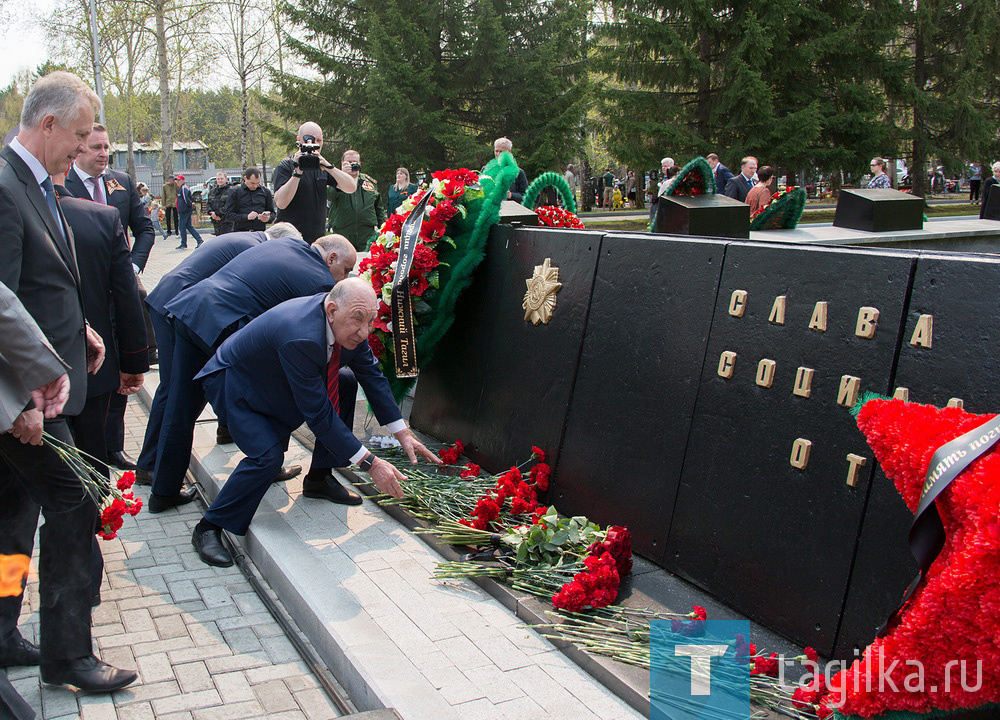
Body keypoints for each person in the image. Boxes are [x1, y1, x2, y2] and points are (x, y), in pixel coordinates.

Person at [0, 70, 136, 693]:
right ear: (47, 124)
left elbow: (41, 277)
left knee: (13, 516)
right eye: (78, 135)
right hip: (26, 397)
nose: (83, 148)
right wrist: (16, 400)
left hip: (40, 384)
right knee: (74, 501)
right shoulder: (5, 186)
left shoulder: (36, 183)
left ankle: (3, 630)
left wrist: (78, 325)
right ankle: (68, 656)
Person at [190, 279, 441, 567]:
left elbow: (371, 374)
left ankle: (319, 479)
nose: (364, 332)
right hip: (236, 383)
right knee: (267, 457)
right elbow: (319, 415)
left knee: (345, 382)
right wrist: (371, 464)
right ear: (332, 310)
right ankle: (209, 527)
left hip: (274, 377)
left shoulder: (349, 324)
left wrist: (402, 433)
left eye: (371, 321)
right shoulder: (301, 335)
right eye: (358, 320)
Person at [147, 234, 357, 513]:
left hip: (192, 309)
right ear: (331, 259)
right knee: (282, 385)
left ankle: (163, 491)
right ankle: (273, 464)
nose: (343, 279)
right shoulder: (318, 280)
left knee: (181, 405)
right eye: (345, 270)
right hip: (221, 323)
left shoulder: (286, 244)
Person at [136, 223, 304, 486]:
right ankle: (151, 466)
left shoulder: (248, 240)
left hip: (179, 304)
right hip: (176, 307)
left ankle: (224, 430)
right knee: (175, 392)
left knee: (200, 381)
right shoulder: (255, 249)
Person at [53, 174, 148, 607]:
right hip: (88, 374)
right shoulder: (98, 219)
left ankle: (9, 611)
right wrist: (132, 361)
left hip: (24, 387)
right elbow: (125, 296)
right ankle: (83, 582)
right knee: (86, 481)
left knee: (19, 518)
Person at [66, 123, 157, 472]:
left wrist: (132, 268)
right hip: (88, 297)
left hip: (122, 291)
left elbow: (144, 228)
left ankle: (114, 446)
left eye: (107, 147)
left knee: (121, 366)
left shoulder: (120, 183)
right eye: (96, 147)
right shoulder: (62, 187)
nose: (104, 154)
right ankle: (92, 447)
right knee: (96, 372)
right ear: (78, 150)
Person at [273, 121, 357, 242]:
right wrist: (297, 172)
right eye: (309, 139)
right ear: (298, 140)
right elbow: (281, 203)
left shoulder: (322, 166)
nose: (314, 144)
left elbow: (351, 187)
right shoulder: (286, 165)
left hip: (316, 239)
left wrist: (329, 167)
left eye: (319, 140)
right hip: (289, 239)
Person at [327, 149, 386, 251]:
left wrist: (384, 228)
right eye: (349, 162)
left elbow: (378, 207)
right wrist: (342, 175)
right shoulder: (335, 180)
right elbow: (330, 196)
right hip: (343, 232)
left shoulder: (369, 182)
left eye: (355, 162)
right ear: (342, 163)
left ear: (360, 163)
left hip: (366, 233)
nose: (353, 164)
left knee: (368, 263)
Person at [224, 167, 274, 233]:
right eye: (252, 183)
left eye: (258, 183)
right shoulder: (235, 192)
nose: (255, 186)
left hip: (259, 232)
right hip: (241, 232)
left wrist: (268, 218)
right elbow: (228, 215)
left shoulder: (265, 192)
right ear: (245, 178)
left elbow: (272, 213)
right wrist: (246, 217)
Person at [491, 137, 528, 202]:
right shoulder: (486, 170)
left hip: (512, 210)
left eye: (501, 152)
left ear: (509, 152)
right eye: (496, 151)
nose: (498, 154)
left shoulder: (519, 173)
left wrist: (511, 195)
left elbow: (526, 196)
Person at [174, 174, 202, 249]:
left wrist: (189, 206)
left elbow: (186, 199)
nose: (177, 182)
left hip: (184, 210)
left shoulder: (184, 188)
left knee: (182, 227)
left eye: (179, 180)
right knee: (188, 226)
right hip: (184, 210)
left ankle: (184, 243)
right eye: (177, 180)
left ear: (183, 180)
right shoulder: (181, 189)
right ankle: (199, 240)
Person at [649, 157, 674, 224]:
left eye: (665, 166)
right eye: (662, 166)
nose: (663, 168)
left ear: (671, 167)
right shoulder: (663, 178)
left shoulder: (672, 179)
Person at [207, 170, 233, 235]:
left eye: (221, 178)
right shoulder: (212, 191)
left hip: (227, 222)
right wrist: (212, 213)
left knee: (226, 241)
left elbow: (229, 205)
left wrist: (218, 214)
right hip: (215, 221)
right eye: (218, 179)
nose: (220, 180)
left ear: (226, 179)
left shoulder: (231, 191)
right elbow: (208, 204)